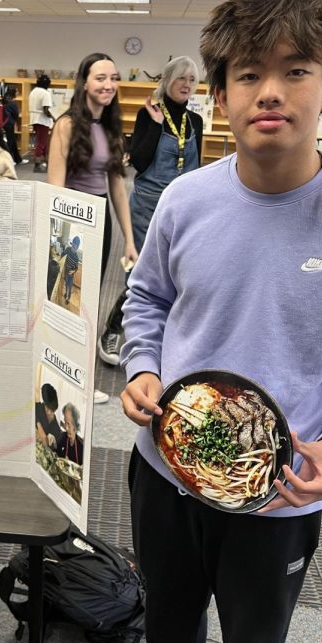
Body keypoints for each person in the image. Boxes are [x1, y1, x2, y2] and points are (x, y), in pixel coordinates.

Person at [104, 0, 322, 643]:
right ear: (219, 92)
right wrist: (142, 366)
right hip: (166, 465)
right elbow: (146, 299)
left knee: (256, 636)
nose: (270, 92)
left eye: (295, 71)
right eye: (249, 72)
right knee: (170, 616)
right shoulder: (185, 201)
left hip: (280, 485)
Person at [99, 56, 203, 366]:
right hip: (147, 205)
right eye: (180, 79)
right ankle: (113, 331)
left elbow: (196, 167)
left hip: (183, 208)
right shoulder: (149, 116)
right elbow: (139, 162)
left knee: (176, 273)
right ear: (167, 80)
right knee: (141, 271)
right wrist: (156, 128)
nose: (186, 85)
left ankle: (157, 335)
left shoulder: (195, 122)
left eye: (192, 81)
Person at [47, 52, 138, 405]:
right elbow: (55, 186)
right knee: (67, 303)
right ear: (85, 82)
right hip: (72, 226)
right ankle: (63, 378)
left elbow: (117, 186)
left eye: (113, 78)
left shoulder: (112, 128)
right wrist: (58, 238)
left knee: (89, 304)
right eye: (101, 78)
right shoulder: (67, 125)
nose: (109, 85)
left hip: (101, 225)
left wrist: (129, 239)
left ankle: (78, 378)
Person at [29, 73, 53, 172]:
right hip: (42, 120)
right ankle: (37, 165)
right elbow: (46, 110)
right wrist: (55, 117)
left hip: (34, 119)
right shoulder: (45, 93)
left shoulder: (33, 91)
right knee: (41, 143)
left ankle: (47, 163)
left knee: (43, 142)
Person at [35, 383, 62, 450]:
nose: (49, 413)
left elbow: (58, 444)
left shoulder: (54, 421)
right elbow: (43, 437)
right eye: (48, 409)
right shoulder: (36, 408)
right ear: (44, 403)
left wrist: (54, 440)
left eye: (52, 410)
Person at [61, 235, 81, 306]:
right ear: (72, 244)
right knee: (66, 285)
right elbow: (63, 254)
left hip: (71, 276)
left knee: (69, 286)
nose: (73, 249)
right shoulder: (68, 249)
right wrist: (61, 261)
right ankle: (66, 293)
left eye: (75, 248)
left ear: (77, 248)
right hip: (66, 272)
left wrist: (73, 271)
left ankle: (68, 299)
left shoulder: (76, 258)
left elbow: (76, 268)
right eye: (73, 246)